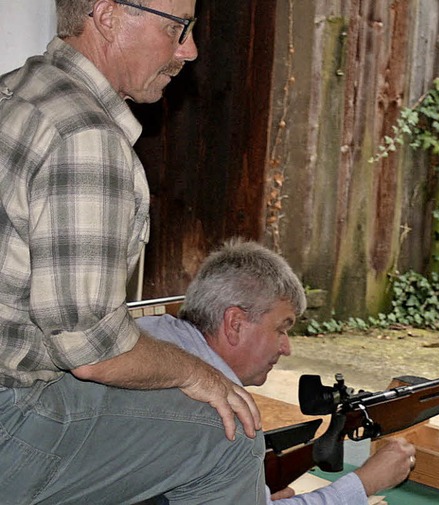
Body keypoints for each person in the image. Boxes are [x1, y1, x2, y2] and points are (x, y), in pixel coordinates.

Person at [0, 1, 264, 503]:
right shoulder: (85, 136)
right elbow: (92, 352)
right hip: (10, 419)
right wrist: (194, 370)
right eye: (177, 28)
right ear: (108, 16)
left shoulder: (15, 90)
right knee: (229, 435)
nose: (189, 50)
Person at [137, 239, 417, 505]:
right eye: (281, 329)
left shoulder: (145, 334)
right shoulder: (222, 414)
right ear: (235, 324)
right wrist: (364, 483)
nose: (287, 348)